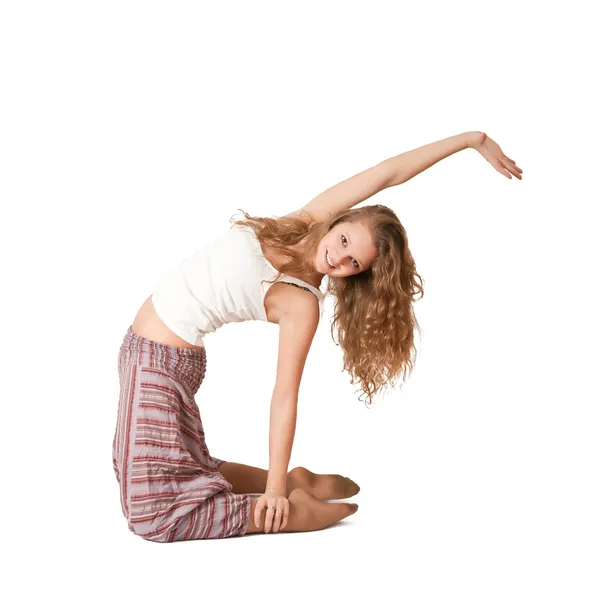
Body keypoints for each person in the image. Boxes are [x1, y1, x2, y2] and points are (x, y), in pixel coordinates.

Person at [112, 131, 523, 541]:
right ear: (338, 220)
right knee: (167, 468)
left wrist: (272, 495)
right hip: (142, 352)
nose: (338, 258)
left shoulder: (301, 303)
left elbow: (284, 394)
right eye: (344, 240)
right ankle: (296, 481)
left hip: (160, 364)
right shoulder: (300, 224)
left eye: (352, 263)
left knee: (154, 513)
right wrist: (471, 140)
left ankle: (290, 511)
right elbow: (386, 174)